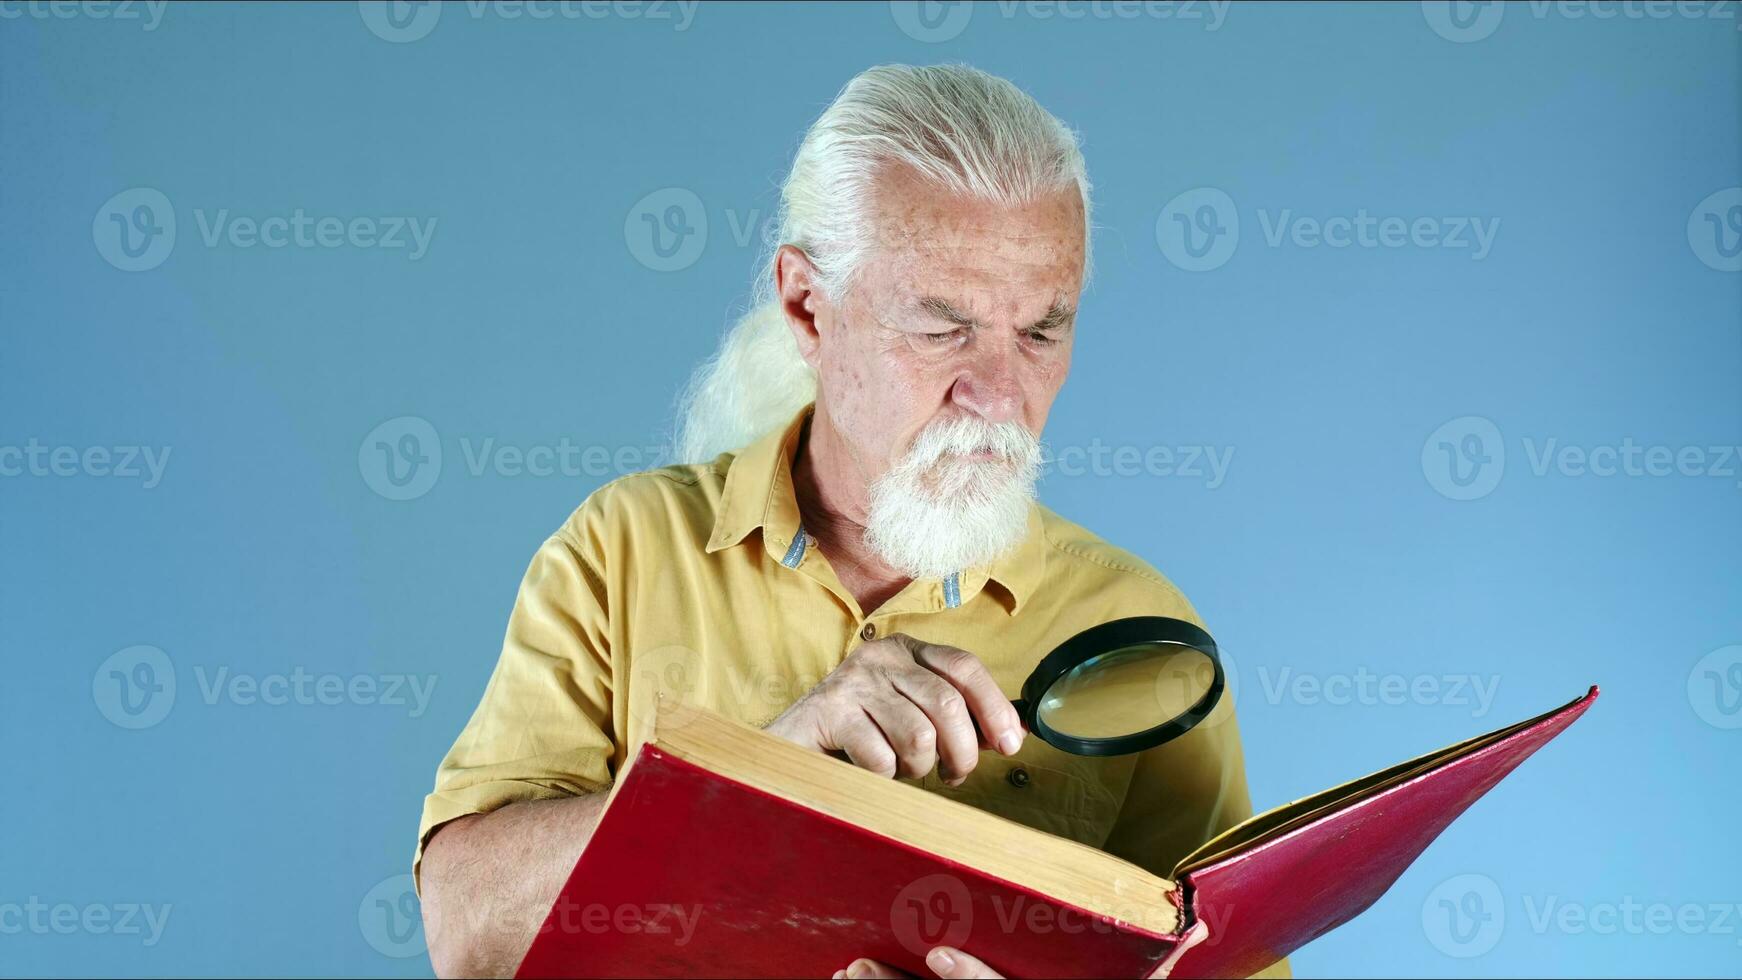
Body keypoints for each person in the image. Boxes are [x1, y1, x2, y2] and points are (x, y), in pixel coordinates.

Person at [415, 63, 1286, 980]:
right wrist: (746, 781)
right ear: (807, 308)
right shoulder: (621, 551)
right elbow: (465, 934)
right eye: (942, 327)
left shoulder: (1136, 629)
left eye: (1040, 331)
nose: (997, 395)